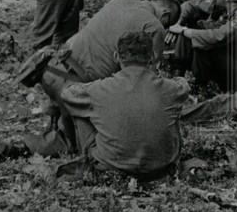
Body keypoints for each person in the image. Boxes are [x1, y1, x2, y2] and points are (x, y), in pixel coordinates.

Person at [18, 0, 179, 145]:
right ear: (165, 15)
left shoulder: (119, 0)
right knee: (95, 144)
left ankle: (58, 126)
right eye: (167, 24)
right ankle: (51, 141)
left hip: (50, 71)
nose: (163, 28)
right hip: (75, 89)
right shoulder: (155, 26)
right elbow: (147, 79)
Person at [27, 31, 190, 177]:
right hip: (161, 168)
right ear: (153, 57)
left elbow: (67, 94)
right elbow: (184, 85)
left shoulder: (99, 88)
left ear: (116, 57)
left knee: (81, 110)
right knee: (169, 110)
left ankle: (86, 158)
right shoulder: (172, 88)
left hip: (111, 166)